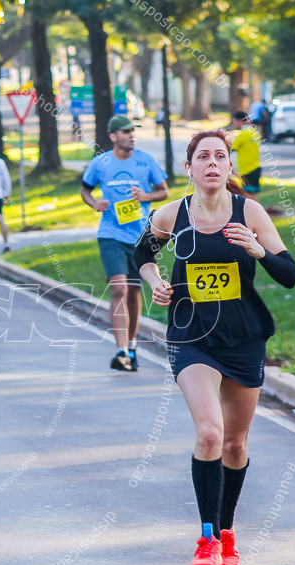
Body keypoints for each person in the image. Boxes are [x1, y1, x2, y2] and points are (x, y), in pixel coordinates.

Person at [134, 129, 295, 565]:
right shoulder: (171, 214)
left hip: (244, 337)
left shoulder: (251, 212)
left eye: (219, 156)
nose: (211, 163)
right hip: (192, 337)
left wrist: (259, 250)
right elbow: (141, 257)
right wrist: (156, 284)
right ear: (189, 168)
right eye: (202, 156)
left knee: (234, 442)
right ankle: (206, 537)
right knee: (209, 432)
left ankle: (227, 531)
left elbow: (289, 275)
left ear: (230, 167)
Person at [81, 114, 169, 372]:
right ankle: (120, 350)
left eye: (132, 131)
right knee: (118, 288)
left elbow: (163, 191)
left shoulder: (146, 160)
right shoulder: (100, 163)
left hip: (141, 237)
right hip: (110, 234)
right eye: (125, 131)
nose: (131, 135)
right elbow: (85, 189)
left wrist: (146, 195)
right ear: (113, 136)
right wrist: (94, 203)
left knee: (133, 291)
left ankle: (131, 346)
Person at [231, 111, 262, 201]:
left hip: (247, 170)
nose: (234, 124)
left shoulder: (243, 135)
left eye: (234, 122)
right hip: (255, 168)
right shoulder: (254, 133)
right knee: (254, 196)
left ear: (240, 121)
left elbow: (230, 149)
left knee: (247, 198)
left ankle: (251, 214)